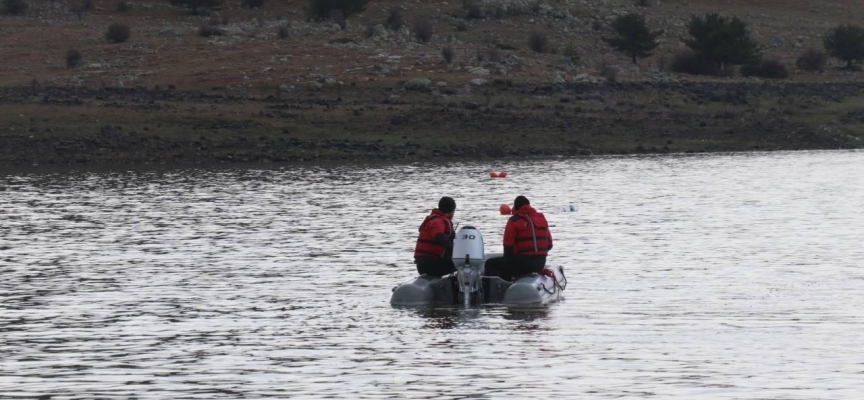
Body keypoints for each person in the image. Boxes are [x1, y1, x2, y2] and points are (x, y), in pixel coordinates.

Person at [485, 195, 553, 280]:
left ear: (515, 207)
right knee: (508, 264)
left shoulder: (514, 221)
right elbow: (549, 245)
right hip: (540, 263)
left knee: (490, 264)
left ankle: (489, 291)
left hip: (523, 262)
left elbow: (508, 248)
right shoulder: (541, 220)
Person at [413, 196, 457, 276]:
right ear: (451, 210)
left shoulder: (438, 220)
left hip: (430, 261)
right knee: (461, 263)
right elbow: (438, 237)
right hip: (428, 264)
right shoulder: (437, 221)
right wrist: (455, 251)